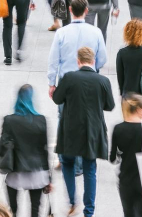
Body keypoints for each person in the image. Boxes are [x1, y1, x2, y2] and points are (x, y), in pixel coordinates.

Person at [51, 47, 115, 217]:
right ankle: (89, 211)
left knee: (68, 163)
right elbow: (110, 105)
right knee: (90, 169)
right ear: (93, 61)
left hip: (71, 129)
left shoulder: (69, 78)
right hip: (93, 130)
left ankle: (73, 201)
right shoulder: (103, 81)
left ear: (78, 61)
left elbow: (57, 98)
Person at [0, 85, 50, 217]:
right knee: (35, 210)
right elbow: (44, 150)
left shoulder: (9, 120)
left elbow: (1, 149)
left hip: (16, 173)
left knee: (12, 209)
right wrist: (49, 178)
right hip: (37, 173)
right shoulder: (41, 120)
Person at [47, 0, 108, 95]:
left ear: (70, 9)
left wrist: (52, 83)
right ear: (86, 10)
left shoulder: (61, 33)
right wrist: (93, 67)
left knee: (65, 110)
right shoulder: (96, 32)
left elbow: (53, 60)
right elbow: (102, 59)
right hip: (89, 79)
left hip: (66, 80)